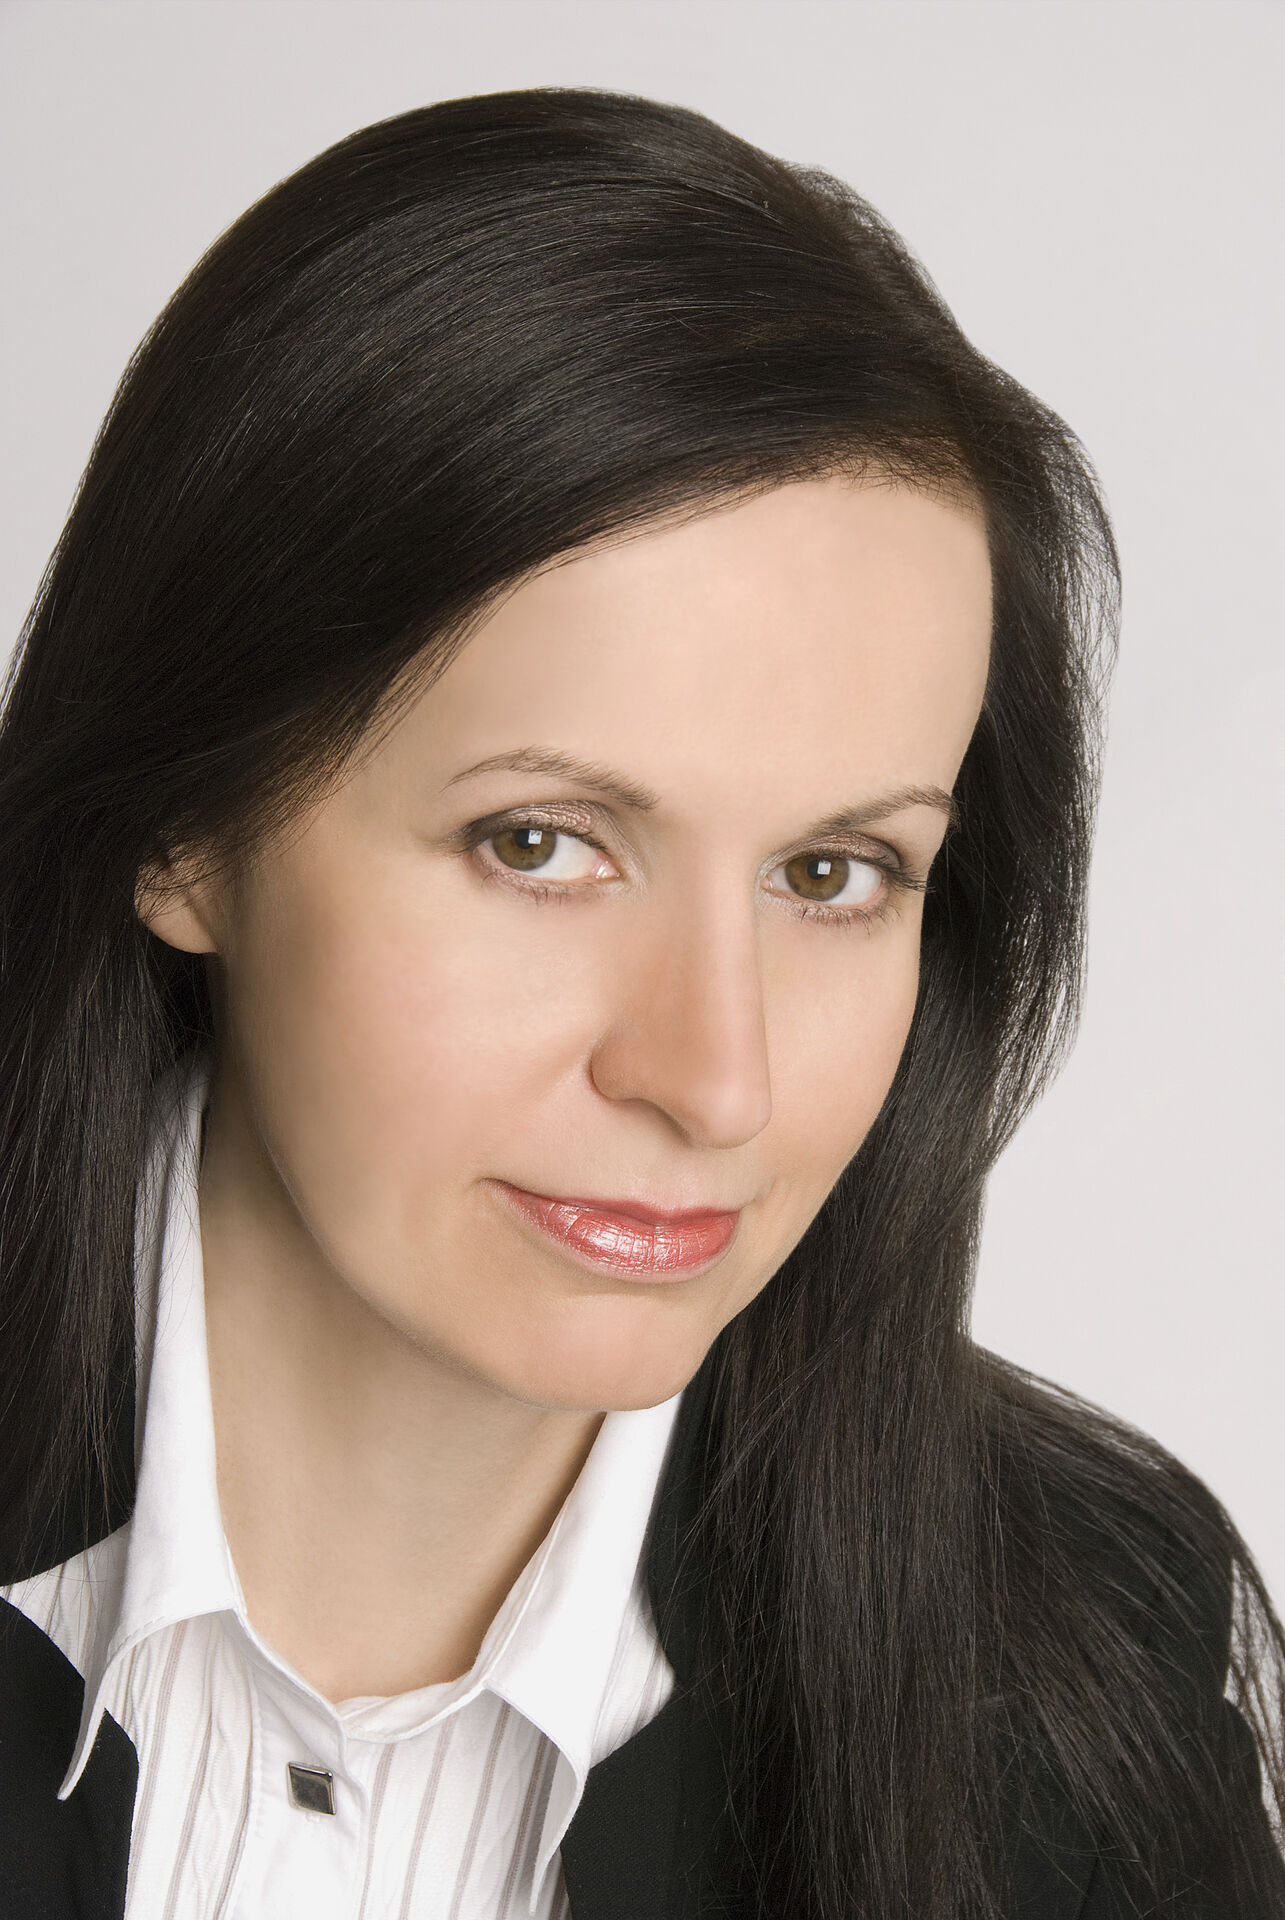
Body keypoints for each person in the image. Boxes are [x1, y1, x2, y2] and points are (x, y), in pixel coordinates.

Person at [0, 85, 1279, 1920]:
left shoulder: (1080, 1692)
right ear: (184, 825)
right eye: (540, 843)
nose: (715, 1079)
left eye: (832, 874)